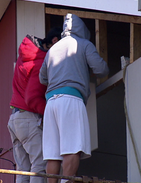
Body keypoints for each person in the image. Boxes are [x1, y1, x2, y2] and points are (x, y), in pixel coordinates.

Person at [39, 13, 109, 183]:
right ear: (82, 31)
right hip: (70, 100)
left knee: (53, 155)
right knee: (71, 149)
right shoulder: (83, 44)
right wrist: (82, 68)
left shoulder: (53, 49)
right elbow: (102, 69)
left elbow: (42, 78)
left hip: (51, 103)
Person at [8, 27, 62, 183]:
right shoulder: (40, 62)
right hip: (28, 119)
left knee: (23, 171)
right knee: (39, 165)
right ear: (54, 41)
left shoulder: (26, 54)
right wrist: (50, 113)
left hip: (15, 119)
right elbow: (32, 98)